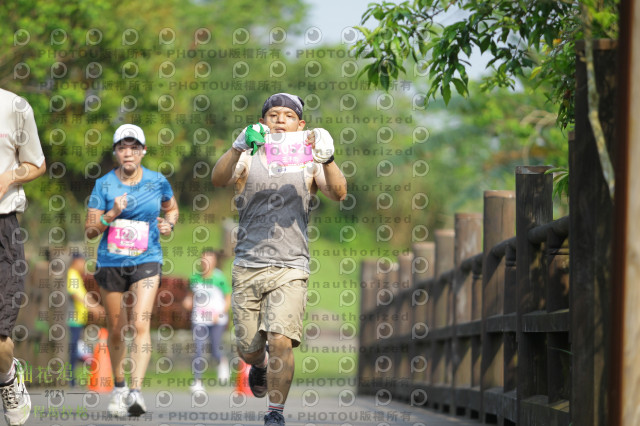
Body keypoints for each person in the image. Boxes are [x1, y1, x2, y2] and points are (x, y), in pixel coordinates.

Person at [211, 93, 347, 426]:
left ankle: (275, 414)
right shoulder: (250, 154)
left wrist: (328, 159)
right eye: (273, 114)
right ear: (263, 122)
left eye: (288, 115)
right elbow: (218, 179)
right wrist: (237, 146)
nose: (280, 119)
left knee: (280, 339)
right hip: (247, 264)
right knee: (248, 348)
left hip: (291, 264)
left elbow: (339, 192)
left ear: (300, 125)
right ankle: (258, 365)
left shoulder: (308, 159)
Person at [84, 124, 178, 417]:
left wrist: (168, 224)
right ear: (116, 152)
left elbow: (172, 209)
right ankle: (120, 387)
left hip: (147, 259)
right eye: (123, 147)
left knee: (139, 324)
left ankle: (136, 393)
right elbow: (90, 230)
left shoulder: (157, 180)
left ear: (143, 151)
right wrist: (111, 214)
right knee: (117, 330)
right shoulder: (103, 184)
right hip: (111, 262)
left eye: (134, 147)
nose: (128, 153)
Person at [0, 89, 46, 426]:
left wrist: (9, 177)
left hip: (3, 226)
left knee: (0, 334)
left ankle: (7, 378)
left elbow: (36, 163)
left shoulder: (15, 107)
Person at [181, 249, 231, 393]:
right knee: (198, 349)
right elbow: (190, 296)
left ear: (214, 261)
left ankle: (222, 362)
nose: (206, 262)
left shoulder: (219, 278)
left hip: (217, 320)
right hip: (199, 319)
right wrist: (187, 302)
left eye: (209, 259)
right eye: (203, 259)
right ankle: (197, 382)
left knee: (214, 349)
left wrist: (220, 313)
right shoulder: (194, 277)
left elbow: (227, 298)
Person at [66, 252, 104, 387]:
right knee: (71, 351)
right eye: (83, 262)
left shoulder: (76, 276)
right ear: (76, 261)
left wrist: (97, 307)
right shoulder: (71, 275)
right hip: (71, 320)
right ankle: (69, 380)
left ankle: (71, 379)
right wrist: (95, 308)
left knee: (74, 349)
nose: (84, 265)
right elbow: (78, 296)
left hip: (77, 320)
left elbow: (85, 295)